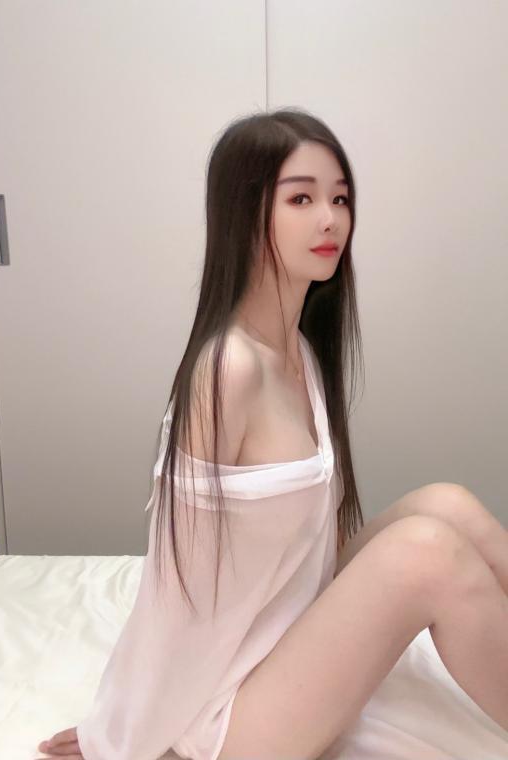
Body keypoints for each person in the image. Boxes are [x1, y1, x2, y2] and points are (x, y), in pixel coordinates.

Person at [36, 108, 508, 760]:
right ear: (246, 211)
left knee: (446, 503)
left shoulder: (301, 352)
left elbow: (311, 543)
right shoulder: (226, 369)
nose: (330, 219)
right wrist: (117, 736)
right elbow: (177, 588)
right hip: (230, 715)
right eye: (301, 199)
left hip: (284, 642)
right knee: (426, 552)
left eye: (340, 198)